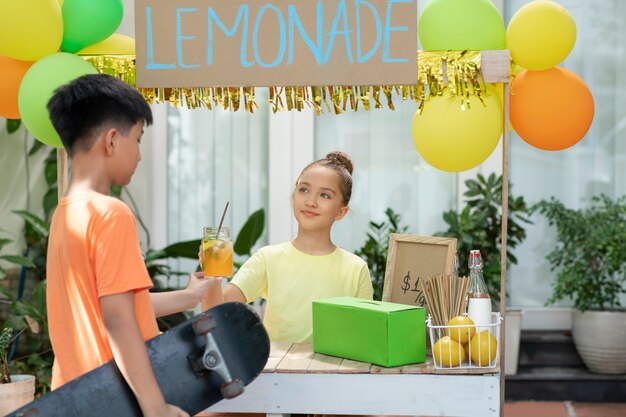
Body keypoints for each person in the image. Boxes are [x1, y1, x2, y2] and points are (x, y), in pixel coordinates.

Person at [46, 74, 218, 417]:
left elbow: (112, 305)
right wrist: (156, 409)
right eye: (138, 139)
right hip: (115, 398)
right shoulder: (111, 213)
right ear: (111, 140)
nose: (140, 155)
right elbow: (118, 318)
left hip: (74, 396)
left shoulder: (64, 214)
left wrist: (188, 297)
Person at [205, 151, 373, 343]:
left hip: (334, 372)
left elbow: (364, 337)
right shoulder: (268, 258)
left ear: (341, 212)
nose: (311, 201)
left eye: (325, 195)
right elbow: (216, 313)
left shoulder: (356, 268)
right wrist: (211, 278)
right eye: (304, 190)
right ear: (294, 196)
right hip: (279, 371)